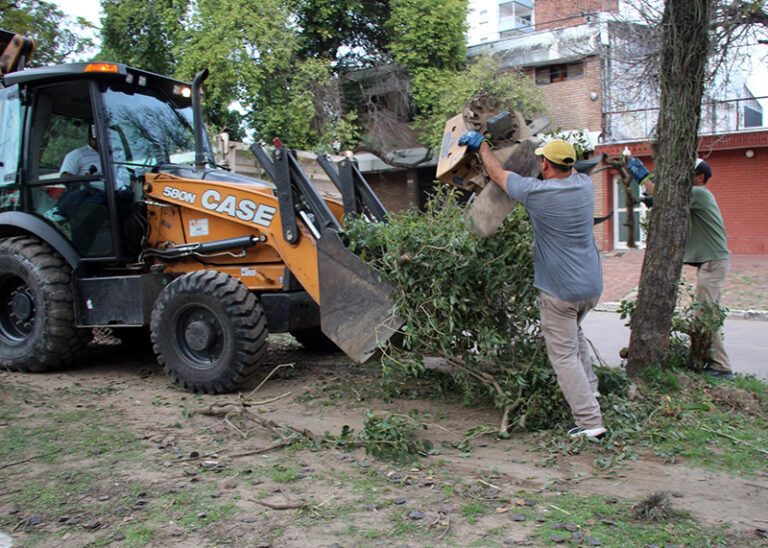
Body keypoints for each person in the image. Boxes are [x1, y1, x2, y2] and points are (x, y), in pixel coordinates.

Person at [458, 132, 606, 439]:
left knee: (563, 356)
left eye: (542, 162)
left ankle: (591, 422)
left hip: (560, 291)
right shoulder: (584, 185)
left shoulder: (537, 193)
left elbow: (498, 175)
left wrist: (483, 144)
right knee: (575, 339)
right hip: (591, 287)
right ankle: (592, 395)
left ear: (547, 166)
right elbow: (569, 168)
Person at [626, 157, 733, 379]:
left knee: (706, 315)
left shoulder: (700, 193)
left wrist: (644, 177)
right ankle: (706, 360)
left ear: (700, 177)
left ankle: (721, 367)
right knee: (703, 313)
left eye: (689, 174)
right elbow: (669, 202)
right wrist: (658, 203)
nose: (684, 179)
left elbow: (666, 197)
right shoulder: (695, 196)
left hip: (713, 263)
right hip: (711, 262)